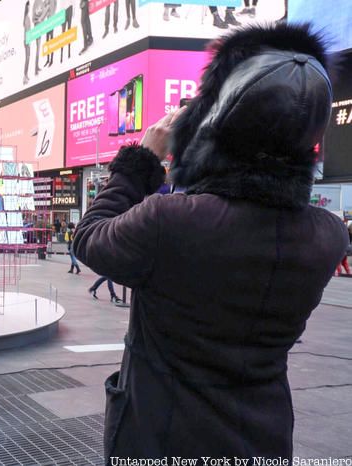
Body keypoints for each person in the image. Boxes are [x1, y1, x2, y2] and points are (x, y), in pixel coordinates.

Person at [73, 24, 348, 459]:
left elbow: (88, 239)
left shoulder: (171, 221)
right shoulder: (326, 235)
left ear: (214, 127)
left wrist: (142, 159)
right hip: (264, 435)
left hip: (159, 436)